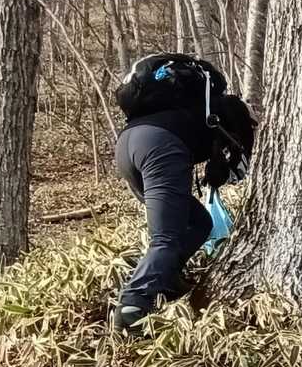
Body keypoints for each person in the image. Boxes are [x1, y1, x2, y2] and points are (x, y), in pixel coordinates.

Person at [109, 52, 254, 332]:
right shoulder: (230, 112)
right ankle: (132, 307)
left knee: (199, 222)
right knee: (166, 237)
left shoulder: (191, 108)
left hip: (127, 144)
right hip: (160, 147)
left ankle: (166, 277)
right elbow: (233, 161)